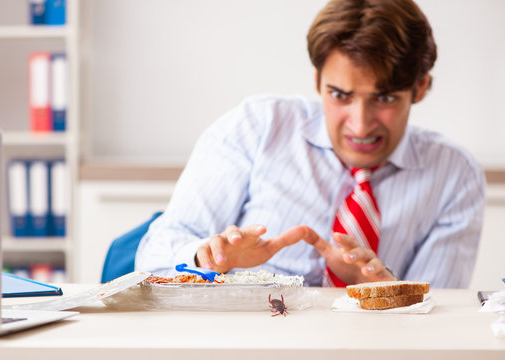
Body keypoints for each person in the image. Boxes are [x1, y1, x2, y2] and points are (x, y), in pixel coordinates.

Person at [135, 0, 485, 288]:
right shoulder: (258, 127)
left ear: (420, 88)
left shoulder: (454, 175)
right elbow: (152, 258)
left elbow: (440, 313)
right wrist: (207, 259)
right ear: (317, 82)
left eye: (385, 98)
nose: (360, 124)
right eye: (340, 95)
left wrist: (380, 290)